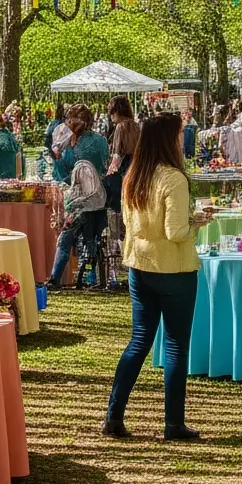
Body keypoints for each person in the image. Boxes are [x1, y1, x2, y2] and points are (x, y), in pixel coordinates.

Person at [102, 108, 200, 443]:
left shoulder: (135, 175)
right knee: (175, 346)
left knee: (139, 341)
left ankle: (113, 414)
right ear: (170, 140)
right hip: (173, 268)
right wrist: (197, 223)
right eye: (179, 135)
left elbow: (131, 225)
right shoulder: (173, 178)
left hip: (140, 266)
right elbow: (175, 231)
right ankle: (173, 423)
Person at [52, 105, 110, 290]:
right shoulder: (100, 141)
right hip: (97, 196)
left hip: (76, 198)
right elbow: (105, 165)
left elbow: (60, 172)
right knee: (91, 238)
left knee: (66, 237)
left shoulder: (67, 144)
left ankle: (55, 277)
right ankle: (90, 277)